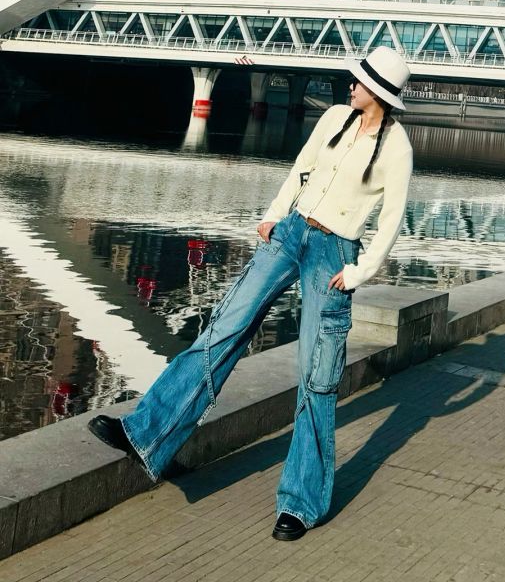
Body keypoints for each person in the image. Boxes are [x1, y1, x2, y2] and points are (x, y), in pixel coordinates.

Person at [88, 47, 414, 542]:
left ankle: (301, 503)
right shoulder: (332, 117)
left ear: (380, 93)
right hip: (289, 234)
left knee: (317, 377)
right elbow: (301, 170)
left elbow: (391, 220)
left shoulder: (397, 149)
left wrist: (359, 272)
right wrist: (273, 214)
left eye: (360, 81)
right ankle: (147, 433)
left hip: (334, 255)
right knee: (222, 330)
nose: (351, 85)